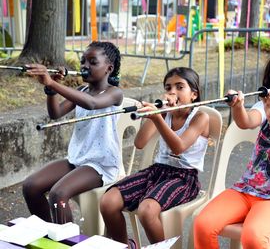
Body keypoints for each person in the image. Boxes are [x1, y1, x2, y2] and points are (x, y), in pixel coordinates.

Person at [100, 67, 210, 249]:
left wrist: (158, 118)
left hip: (184, 178)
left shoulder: (200, 117)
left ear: (193, 94)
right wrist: (154, 115)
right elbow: (140, 142)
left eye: (179, 87)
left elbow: (179, 147)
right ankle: (125, 245)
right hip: (157, 171)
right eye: (168, 88)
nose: (172, 92)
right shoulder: (164, 113)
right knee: (108, 201)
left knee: (147, 210)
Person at [22, 41, 123, 224]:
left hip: (100, 164)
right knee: (31, 186)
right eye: (83, 61)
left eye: (93, 62)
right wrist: (51, 89)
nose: (85, 66)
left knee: (58, 194)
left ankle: (67, 242)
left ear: (109, 68)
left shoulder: (114, 93)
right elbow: (55, 113)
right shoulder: (82, 90)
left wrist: (51, 81)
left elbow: (91, 104)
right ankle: (49, 235)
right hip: (78, 159)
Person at [194, 59, 270, 248]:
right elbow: (246, 122)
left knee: (253, 237)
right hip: (246, 189)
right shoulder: (264, 106)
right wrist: (237, 106)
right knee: (203, 224)